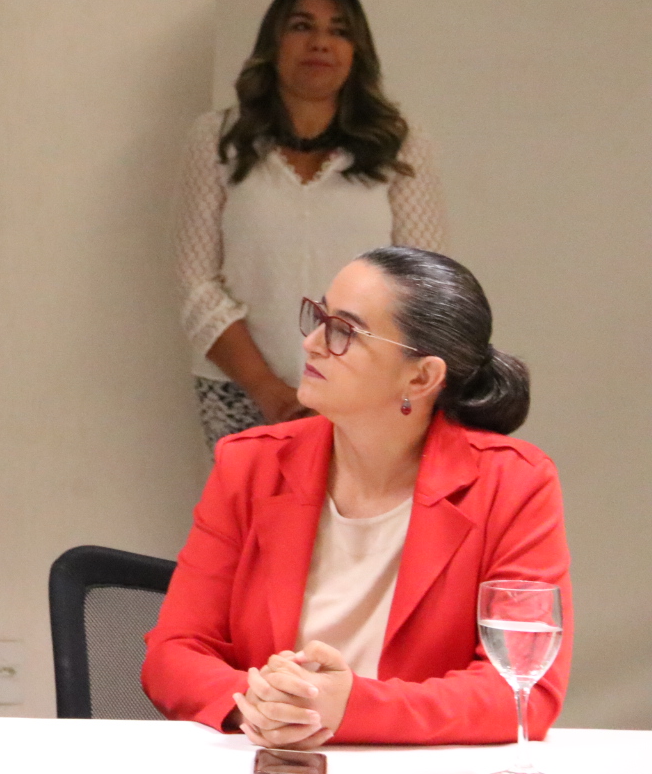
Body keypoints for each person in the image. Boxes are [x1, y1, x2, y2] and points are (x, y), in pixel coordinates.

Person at [143, 247, 571, 748]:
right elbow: (173, 652)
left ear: (421, 377)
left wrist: (352, 708)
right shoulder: (250, 465)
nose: (311, 343)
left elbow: (525, 691)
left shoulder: (512, 483)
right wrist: (256, 703)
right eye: (319, 317)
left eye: (343, 331)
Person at [176, 0, 447, 451]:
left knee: (353, 507)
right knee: (256, 506)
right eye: (302, 26)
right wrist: (267, 389)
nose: (320, 42)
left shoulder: (401, 145)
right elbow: (196, 283)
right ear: (273, 43)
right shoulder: (217, 140)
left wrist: (353, 385)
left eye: (339, 31)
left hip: (366, 396)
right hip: (242, 393)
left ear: (356, 53)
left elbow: (421, 287)